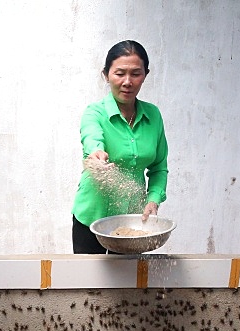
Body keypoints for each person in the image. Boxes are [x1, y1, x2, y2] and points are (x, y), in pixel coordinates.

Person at [71, 40, 168, 254]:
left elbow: (159, 167)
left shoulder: (153, 116)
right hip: (91, 217)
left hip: (130, 221)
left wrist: (153, 199)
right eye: (119, 73)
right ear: (106, 75)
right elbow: (91, 138)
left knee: (126, 282)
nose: (127, 81)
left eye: (135, 73)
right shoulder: (94, 113)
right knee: (89, 281)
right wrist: (96, 153)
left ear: (145, 75)